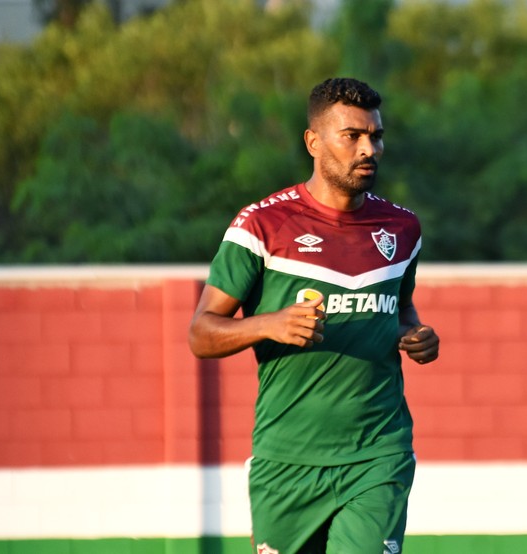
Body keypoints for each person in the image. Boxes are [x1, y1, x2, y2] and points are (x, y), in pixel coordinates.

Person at [188, 77, 440, 554]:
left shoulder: (401, 228)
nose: (369, 149)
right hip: (287, 462)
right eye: (353, 136)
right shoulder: (261, 226)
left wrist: (417, 336)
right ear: (314, 141)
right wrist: (269, 324)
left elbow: (400, 310)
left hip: (377, 452)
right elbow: (201, 333)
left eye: (376, 136)